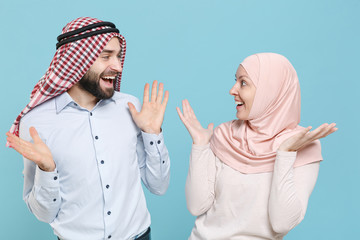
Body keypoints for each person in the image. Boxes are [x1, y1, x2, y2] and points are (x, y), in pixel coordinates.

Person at [6, 17, 170, 240]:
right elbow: (44, 214)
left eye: (119, 56)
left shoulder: (130, 108)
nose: (118, 66)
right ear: (76, 60)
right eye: (106, 57)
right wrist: (47, 169)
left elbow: (159, 186)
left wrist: (152, 133)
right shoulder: (36, 123)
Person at [177, 53, 337, 240]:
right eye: (235, 81)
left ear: (269, 91)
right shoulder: (225, 135)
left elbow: (281, 223)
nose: (232, 90)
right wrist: (200, 146)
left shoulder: (302, 145)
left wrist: (285, 154)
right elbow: (196, 206)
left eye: (243, 83)